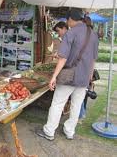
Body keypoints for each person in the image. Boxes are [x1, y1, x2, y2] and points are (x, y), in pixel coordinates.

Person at [36, 8, 99, 140]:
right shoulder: (93, 34)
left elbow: (63, 58)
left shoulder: (71, 33)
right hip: (84, 77)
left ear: (70, 19)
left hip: (70, 76)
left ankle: (49, 131)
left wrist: (53, 76)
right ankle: (70, 131)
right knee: (76, 105)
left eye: (67, 20)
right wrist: (89, 77)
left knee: (58, 103)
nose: (67, 22)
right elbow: (93, 59)